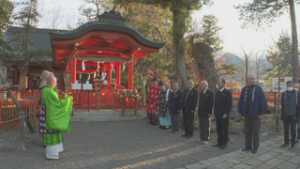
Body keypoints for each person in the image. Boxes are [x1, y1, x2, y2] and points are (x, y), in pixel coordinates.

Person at [41, 75, 73, 160]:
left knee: (52, 133)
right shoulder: (50, 91)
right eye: (55, 82)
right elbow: (57, 104)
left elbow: (53, 102)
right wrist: (67, 100)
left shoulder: (46, 90)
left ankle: (53, 152)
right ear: (51, 82)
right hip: (51, 117)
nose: (56, 84)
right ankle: (52, 154)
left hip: (48, 115)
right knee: (53, 133)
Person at [238, 75, 267, 153]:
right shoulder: (244, 89)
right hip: (247, 114)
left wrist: (261, 113)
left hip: (256, 114)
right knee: (247, 131)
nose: (253, 80)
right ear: (247, 80)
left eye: (254, 79)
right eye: (251, 79)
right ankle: (248, 146)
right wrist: (240, 112)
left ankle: (255, 147)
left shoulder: (258, 89)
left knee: (255, 131)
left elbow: (262, 102)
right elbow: (241, 101)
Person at [213, 79, 232, 149]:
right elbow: (215, 103)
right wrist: (215, 112)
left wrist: (226, 113)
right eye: (217, 82)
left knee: (224, 129)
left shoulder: (227, 92)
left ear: (223, 83)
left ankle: (224, 143)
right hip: (218, 113)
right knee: (219, 128)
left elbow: (229, 104)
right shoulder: (217, 92)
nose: (218, 84)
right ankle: (219, 141)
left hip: (224, 114)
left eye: (219, 82)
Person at [281, 81, 300, 148]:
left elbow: (298, 106)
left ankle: (293, 143)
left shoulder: (297, 94)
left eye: (291, 85)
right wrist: (282, 116)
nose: (290, 87)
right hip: (286, 115)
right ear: (287, 86)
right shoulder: (284, 94)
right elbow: (282, 106)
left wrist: (297, 116)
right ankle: (286, 142)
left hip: (293, 115)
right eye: (289, 85)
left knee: (293, 130)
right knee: (286, 129)